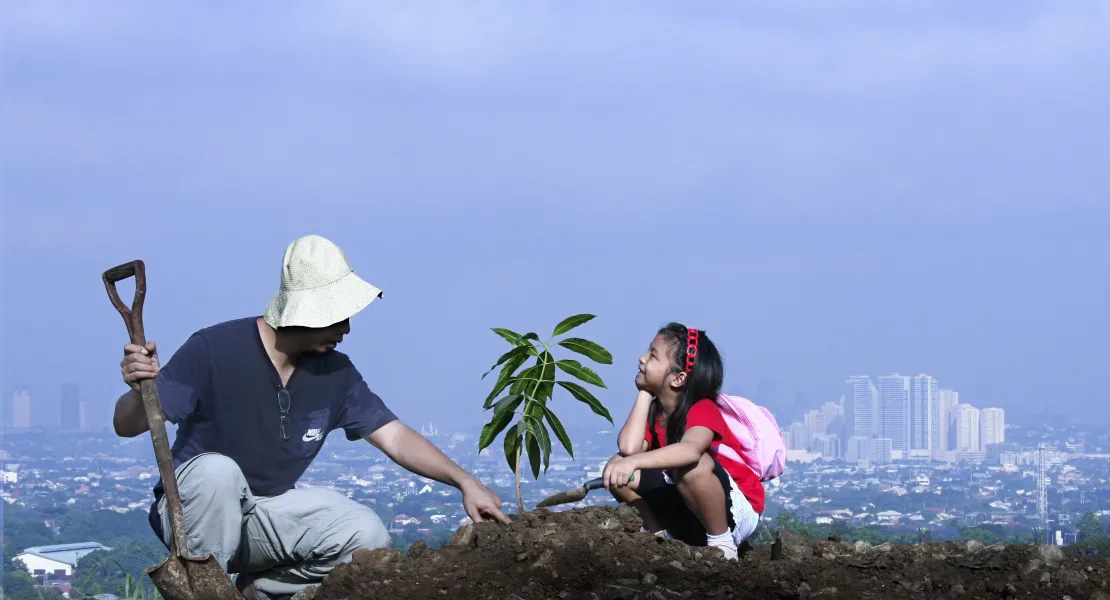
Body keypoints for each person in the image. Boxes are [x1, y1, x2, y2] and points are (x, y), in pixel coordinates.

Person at [115, 234, 510, 600]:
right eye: (338, 317)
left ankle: (259, 592)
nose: (347, 329)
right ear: (305, 312)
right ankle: (204, 592)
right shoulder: (213, 349)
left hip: (261, 517)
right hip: (192, 517)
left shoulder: (335, 372)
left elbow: (395, 437)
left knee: (365, 534)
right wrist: (139, 391)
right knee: (218, 472)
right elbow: (128, 424)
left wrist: (465, 481)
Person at [602, 323, 764, 560]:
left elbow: (690, 450)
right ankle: (657, 537)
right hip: (689, 504)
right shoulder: (656, 412)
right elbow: (628, 448)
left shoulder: (703, 409)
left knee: (692, 465)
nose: (642, 358)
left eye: (653, 355)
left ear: (678, 378)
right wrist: (645, 394)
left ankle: (723, 544)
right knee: (618, 467)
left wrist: (633, 461)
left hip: (735, 511)